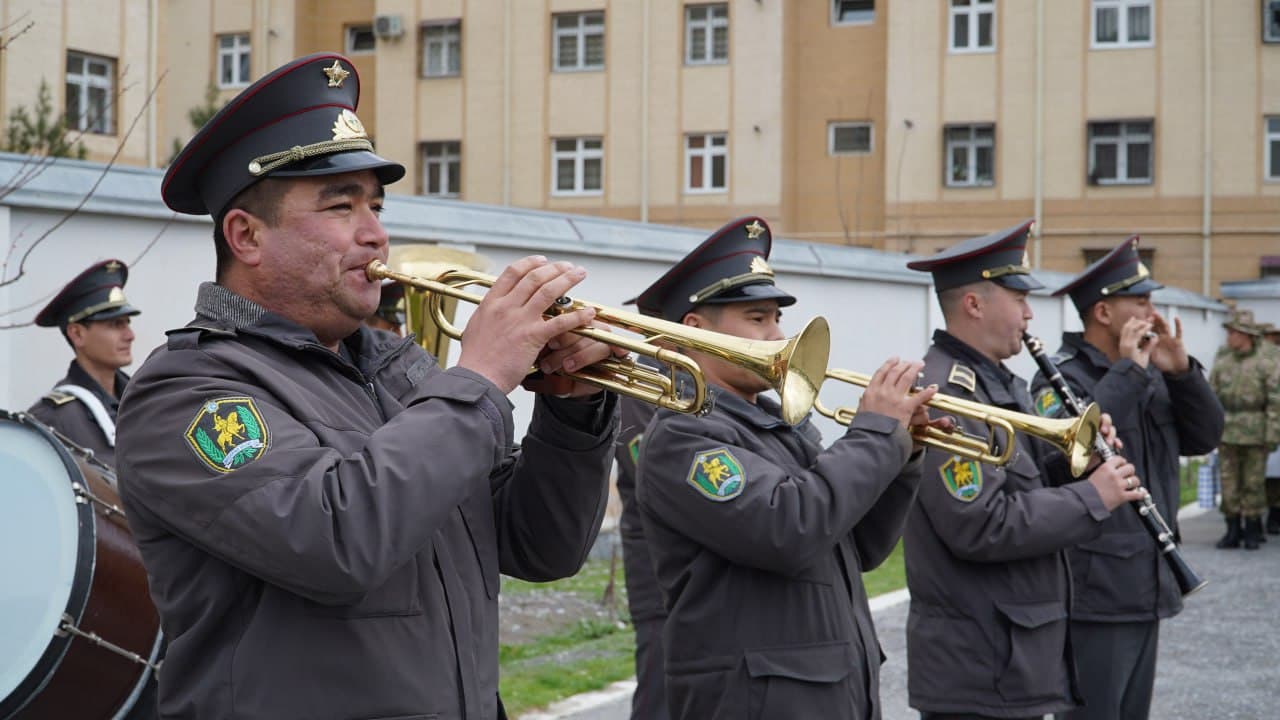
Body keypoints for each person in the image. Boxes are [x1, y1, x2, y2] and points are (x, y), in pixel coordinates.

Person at [114, 53, 620, 720]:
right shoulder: (187, 392)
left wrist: (571, 407)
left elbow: (539, 546)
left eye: (376, 205)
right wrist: (480, 378)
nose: (376, 233)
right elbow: (334, 540)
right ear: (246, 236)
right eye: (341, 205)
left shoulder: (400, 369)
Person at [634, 216, 943, 720]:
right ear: (696, 330)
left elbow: (859, 544)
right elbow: (788, 528)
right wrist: (873, 434)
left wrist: (903, 454)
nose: (780, 335)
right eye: (758, 319)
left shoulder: (779, 426)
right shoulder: (684, 437)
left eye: (776, 318)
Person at [903, 220, 1144, 720]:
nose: (1029, 313)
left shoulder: (999, 382)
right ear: (974, 304)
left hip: (1009, 654)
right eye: (1018, 298)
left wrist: (1080, 466)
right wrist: (1093, 496)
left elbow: (1026, 482)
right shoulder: (948, 392)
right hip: (978, 665)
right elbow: (980, 524)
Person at [1028, 236, 1223, 720]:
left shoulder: (1149, 370)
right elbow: (1075, 448)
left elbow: (1204, 436)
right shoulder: (1063, 380)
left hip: (1148, 579)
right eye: (1139, 301)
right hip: (1096, 588)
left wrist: (1180, 372)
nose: (1152, 312)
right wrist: (1128, 372)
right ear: (1103, 313)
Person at [28, 259, 141, 469]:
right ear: (77, 334)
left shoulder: (146, 398)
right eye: (115, 324)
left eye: (128, 323)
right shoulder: (53, 417)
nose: (129, 335)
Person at [611, 390, 669, 720]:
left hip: (697, 584)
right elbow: (656, 473)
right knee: (661, 700)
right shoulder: (639, 389)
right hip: (660, 582)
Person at [1208, 308, 1280, 550]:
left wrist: (1272, 433)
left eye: (1233, 332)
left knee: (1253, 482)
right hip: (1227, 429)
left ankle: (1252, 528)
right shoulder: (1223, 359)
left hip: (1255, 429)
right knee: (1228, 482)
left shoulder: (1265, 362)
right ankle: (1232, 529)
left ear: (1245, 335)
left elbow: (1275, 401)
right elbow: (1212, 395)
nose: (1229, 336)